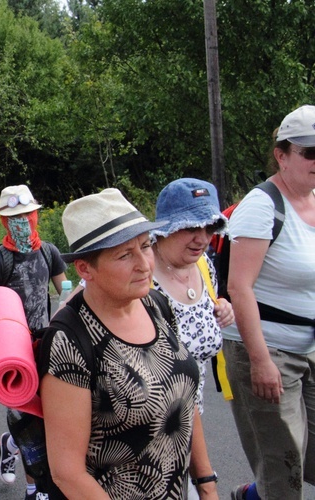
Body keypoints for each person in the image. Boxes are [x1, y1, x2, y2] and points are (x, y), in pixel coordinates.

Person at [39, 188, 203, 499]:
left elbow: (184, 398)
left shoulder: (156, 306)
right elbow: (67, 473)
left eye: (145, 246)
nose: (144, 264)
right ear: (86, 269)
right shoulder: (70, 339)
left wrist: (206, 482)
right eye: (125, 255)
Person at [223, 105, 315, 500]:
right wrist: (260, 361)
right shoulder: (262, 206)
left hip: (309, 347)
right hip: (266, 349)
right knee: (284, 466)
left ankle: (253, 495)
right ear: (282, 154)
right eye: (309, 153)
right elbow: (239, 288)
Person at [152, 178, 235, 498]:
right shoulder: (139, 276)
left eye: (210, 226)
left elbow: (205, 311)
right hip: (147, 432)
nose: (202, 237)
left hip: (190, 421)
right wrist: (208, 483)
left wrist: (221, 307)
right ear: (164, 228)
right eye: (191, 227)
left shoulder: (202, 265)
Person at [0, 185, 66, 500]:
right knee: (24, 418)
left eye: (27, 215)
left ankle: (12, 444)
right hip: (12, 349)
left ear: (36, 216)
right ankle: (34, 489)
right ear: (4, 221)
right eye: (14, 217)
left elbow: (67, 293)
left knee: (47, 414)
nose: (22, 222)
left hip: (45, 343)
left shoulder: (48, 252)